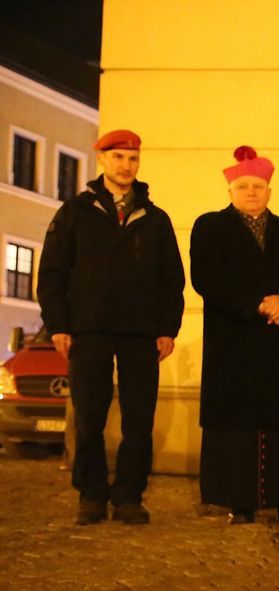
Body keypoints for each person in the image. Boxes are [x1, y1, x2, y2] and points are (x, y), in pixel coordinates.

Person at [37, 129, 185, 526]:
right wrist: (58, 325)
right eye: (118, 157)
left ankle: (129, 497)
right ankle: (91, 494)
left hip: (141, 332)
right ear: (102, 159)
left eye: (132, 158)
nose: (126, 165)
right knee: (89, 415)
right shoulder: (75, 212)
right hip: (88, 329)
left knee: (139, 418)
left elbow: (172, 278)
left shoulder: (155, 218)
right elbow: (52, 272)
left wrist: (168, 327)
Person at [190, 146, 279, 526]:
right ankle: (238, 501)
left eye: (258, 186)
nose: (251, 192)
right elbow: (206, 279)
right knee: (236, 425)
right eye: (244, 186)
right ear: (231, 191)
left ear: (269, 191)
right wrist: (255, 305)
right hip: (233, 341)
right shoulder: (210, 227)